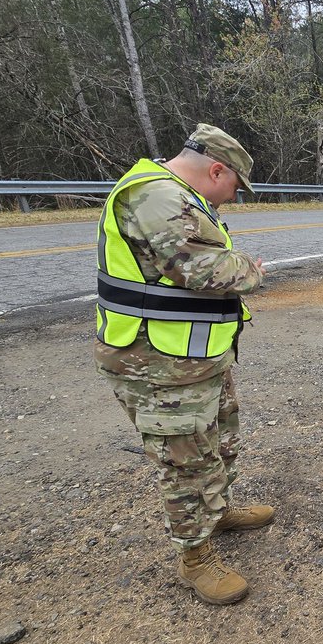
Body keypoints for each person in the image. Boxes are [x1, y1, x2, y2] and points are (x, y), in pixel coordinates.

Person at [95, 123, 273, 606]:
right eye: (235, 186)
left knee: (219, 441)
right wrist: (252, 271)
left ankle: (219, 513)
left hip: (194, 357)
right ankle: (196, 560)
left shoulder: (181, 196)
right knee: (187, 462)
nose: (234, 197)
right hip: (157, 365)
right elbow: (200, 269)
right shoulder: (155, 196)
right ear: (215, 169)